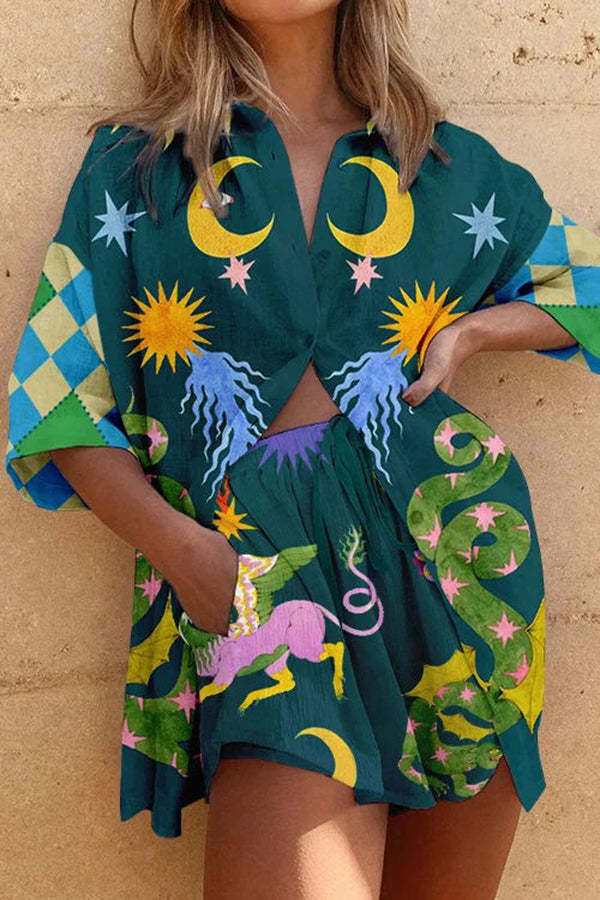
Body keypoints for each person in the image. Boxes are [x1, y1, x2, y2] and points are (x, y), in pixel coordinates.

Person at [5, 1, 599, 897]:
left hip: (451, 574)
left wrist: (475, 332)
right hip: (261, 588)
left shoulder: (436, 161)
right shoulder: (141, 171)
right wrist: (185, 554)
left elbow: (586, 288)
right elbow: (57, 409)